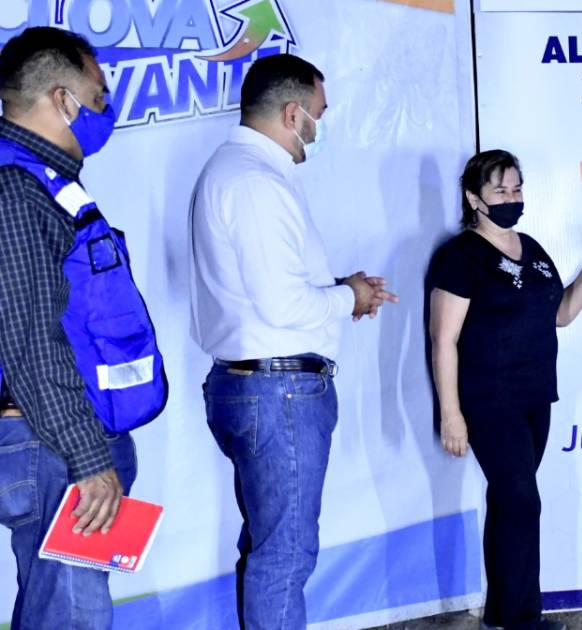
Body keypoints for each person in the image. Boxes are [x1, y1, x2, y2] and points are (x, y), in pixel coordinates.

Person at [189, 53, 397, 629]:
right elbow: (283, 306)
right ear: (292, 113)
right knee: (285, 554)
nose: (319, 127)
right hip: (278, 392)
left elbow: (267, 293)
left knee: (269, 546)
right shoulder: (255, 183)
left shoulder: (235, 172)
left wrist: (341, 290)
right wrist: (347, 297)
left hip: (255, 383)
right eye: (318, 114)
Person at [0, 26, 168, 628]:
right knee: (73, 616)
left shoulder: (43, 181)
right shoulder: (15, 189)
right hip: (52, 443)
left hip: (58, 435)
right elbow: (28, 338)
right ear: (62, 100)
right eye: (98, 97)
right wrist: (87, 456)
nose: (105, 110)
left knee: (55, 608)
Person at [429, 149, 582, 630]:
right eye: (500, 191)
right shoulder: (459, 257)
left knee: (508, 501)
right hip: (488, 401)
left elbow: (560, 314)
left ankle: (500, 615)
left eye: (517, 189)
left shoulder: (531, 248)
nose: (512, 198)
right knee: (521, 501)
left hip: (535, 396)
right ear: (474, 198)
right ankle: (522, 620)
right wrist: (451, 414)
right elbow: (443, 339)